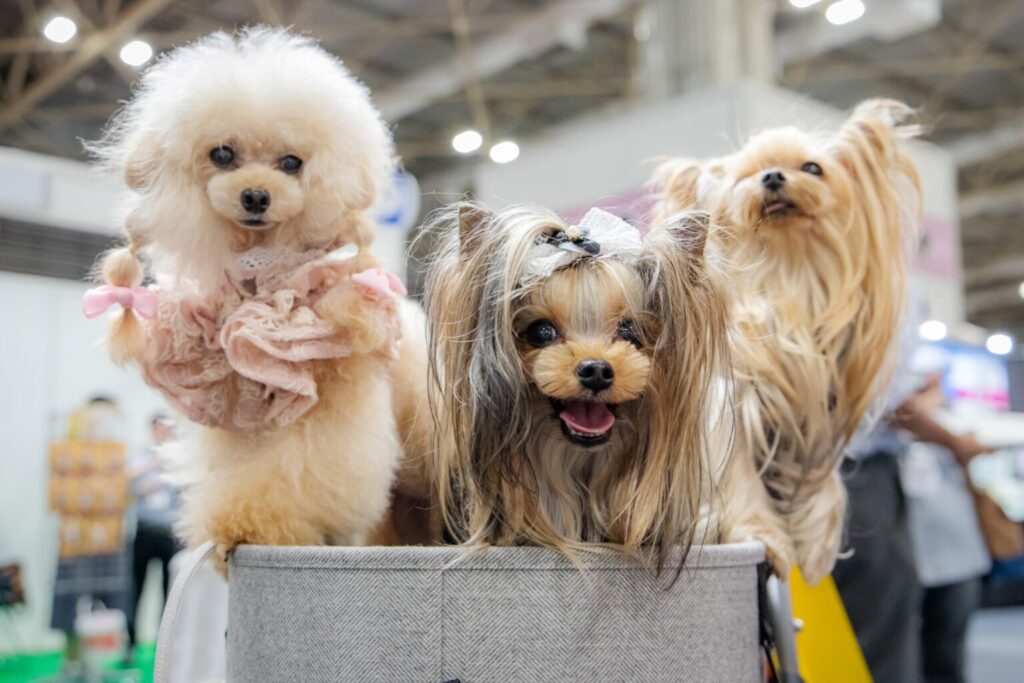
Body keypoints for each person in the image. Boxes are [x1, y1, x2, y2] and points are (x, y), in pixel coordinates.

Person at [834, 373, 993, 683]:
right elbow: (897, 406)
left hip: (942, 542)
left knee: (937, 646)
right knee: (885, 646)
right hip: (877, 510)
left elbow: (898, 405)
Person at [126, 414, 181, 658]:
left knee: (169, 593)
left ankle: (165, 647)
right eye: (159, 428)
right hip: (144, 532)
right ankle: (130, 644)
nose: (164, 433)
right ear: (152, 430)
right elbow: (132, 484)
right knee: (135, 589)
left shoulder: (181, 459)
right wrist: (157, 464)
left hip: (170, 535)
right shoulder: (141, 456)